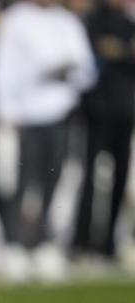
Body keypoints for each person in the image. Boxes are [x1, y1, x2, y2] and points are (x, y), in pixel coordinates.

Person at [0, 0, 96, 277]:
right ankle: (14, 245)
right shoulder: (16, 19)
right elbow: (2, 66)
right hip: (26, 114)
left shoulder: (67, 21)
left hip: (60, 110)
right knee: (22, 181)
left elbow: (87, 68)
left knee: (54, 179)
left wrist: (67, 72)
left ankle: (44, 243)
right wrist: (5, 110)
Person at [72, 0, 135, 262]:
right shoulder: (93, 21)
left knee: (119, 178)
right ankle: (81, 241)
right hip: (97, 111)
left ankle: (109, 243)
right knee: (90, 177)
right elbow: (92, 54)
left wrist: (118, 51)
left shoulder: (127, 23)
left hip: (124, 111)